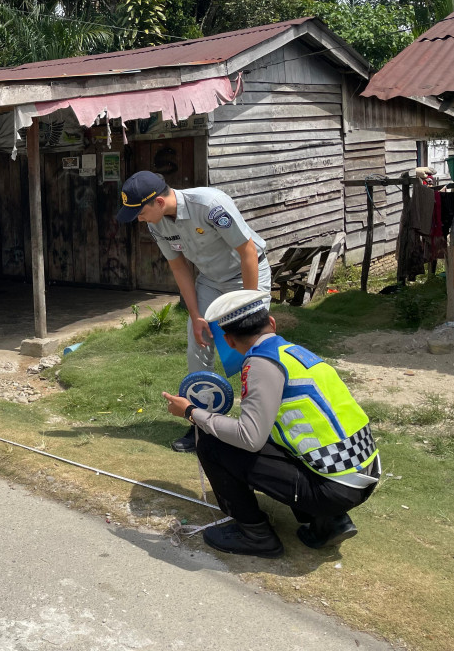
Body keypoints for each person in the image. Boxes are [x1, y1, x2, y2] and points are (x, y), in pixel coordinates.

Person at [163, 289, 380, 558]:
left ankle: (255, 534)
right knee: (274, 434)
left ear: (228, 341)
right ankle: (330, 521)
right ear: (273, 324)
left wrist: (191, 412)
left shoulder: (260, 363)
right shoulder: (295, 353)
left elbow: (249, 437)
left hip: (333, 489)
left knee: (210, 440)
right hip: (362, 474)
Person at [115, 170, 269, 452]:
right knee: (198, 344)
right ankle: (201, 425)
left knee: (254, 347)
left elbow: (247, 251)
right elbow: (179, 267)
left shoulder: (210, 205)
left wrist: (247, 306)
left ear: (159, 202)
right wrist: (196, 315)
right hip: (209, 280)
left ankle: (260, 425)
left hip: (245, 275)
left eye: (140, 212)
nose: (139, 219)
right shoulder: (157, 224)